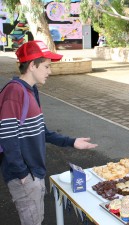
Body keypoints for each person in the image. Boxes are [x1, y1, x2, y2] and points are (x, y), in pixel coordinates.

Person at [0, 40, 98, 225]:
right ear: (32, 65)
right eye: (46, 66)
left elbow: (41, 131)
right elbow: (7, 139)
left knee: (37, 218)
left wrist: (71, 141)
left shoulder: (31, 91)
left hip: (34, 172)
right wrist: (24, 177)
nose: (50, 71)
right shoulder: (15, 93)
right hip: (25, 175)